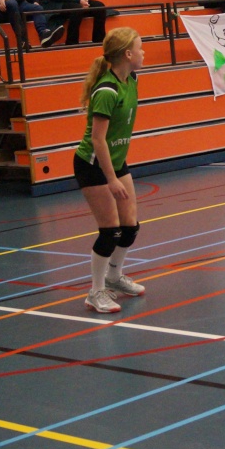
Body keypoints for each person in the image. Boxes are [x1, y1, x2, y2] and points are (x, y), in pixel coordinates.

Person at [74, 27, 147, 314]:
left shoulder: (131, 79)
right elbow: (97, 139)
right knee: (110, 231)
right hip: (93, 164)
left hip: (116, 161)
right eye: (139, 48)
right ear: (127, 54)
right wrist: (111, 179)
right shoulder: (107, 90)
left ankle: (114, 277)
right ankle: (95, 292)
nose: (143, 53)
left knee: (130, 227)